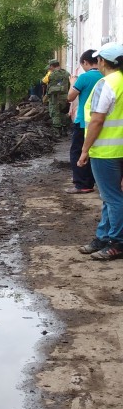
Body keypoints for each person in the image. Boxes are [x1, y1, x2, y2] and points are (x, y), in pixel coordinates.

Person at [76, 42, 123, 260]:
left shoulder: (107, 83)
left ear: (103, 62)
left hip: (107, 152)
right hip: (118, 150)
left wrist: (85, 150)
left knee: (113, 198)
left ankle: (118, 242)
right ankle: (103, 236)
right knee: (109, 196)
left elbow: (96, 120)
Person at [65, 49, 101, 194]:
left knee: (78, 152)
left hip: (84, 122)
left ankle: (82, 184)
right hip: (102, 121)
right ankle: (95, 181)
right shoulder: (106, 77)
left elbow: (70, 97)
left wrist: (73, 82)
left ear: (85, 62)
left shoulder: (84, 78)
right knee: (95, 152)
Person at [44, 59, 71, 135]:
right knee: (63, 113)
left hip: (54, 97)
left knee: (55, 114)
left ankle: (57, 133)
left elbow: (43, 82)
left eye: (50, 67)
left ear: (52, 66)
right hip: (65, 97)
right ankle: (65, 130)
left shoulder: (51, 74)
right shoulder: (67, 74)